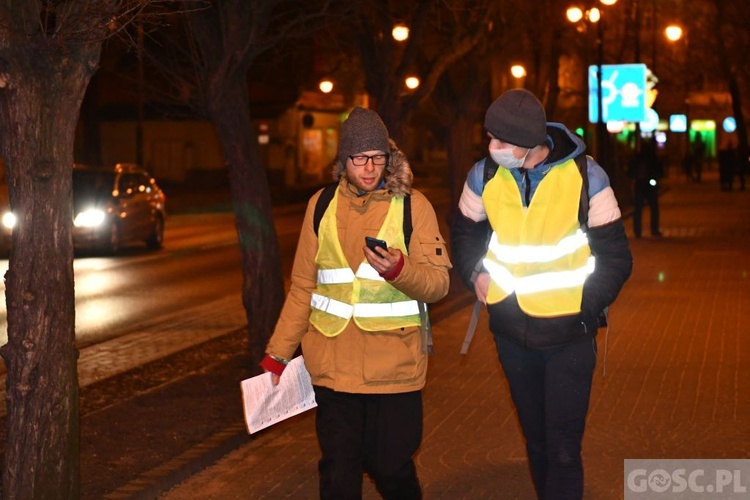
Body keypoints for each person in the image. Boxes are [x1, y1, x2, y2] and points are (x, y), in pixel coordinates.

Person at [260, 107, 451, 499]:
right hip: (333, 368)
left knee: (390, 468)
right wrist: (276, 356)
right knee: (337, 473)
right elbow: (302, 288)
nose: (369, 168)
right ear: (343, 159)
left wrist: (400, 270)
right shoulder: (321, 206)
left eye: (377, 158)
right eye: (359, 158)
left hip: (394, 370)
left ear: (389, 157)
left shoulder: (414, 207)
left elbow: (438, 285)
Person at [451, 89, 632, 499]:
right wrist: (474, 272)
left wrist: (584, 308)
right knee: (536, 442)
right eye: (489, 138)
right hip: (511, 333)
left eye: (501, 141)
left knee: (564, 448)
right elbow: (464, 233)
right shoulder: (483, 175)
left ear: (530, 143)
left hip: (569, 336)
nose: (492, 148)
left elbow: (616, 258)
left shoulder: (588, 176)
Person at [627, 139, 663, 237]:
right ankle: (651, 229)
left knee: (639, 209)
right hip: (645, 185)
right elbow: (659, 170)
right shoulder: (651, 158)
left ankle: (638, 230)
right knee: (651, 208)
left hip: (642, 185)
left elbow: (630, 171)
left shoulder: (640, 158)